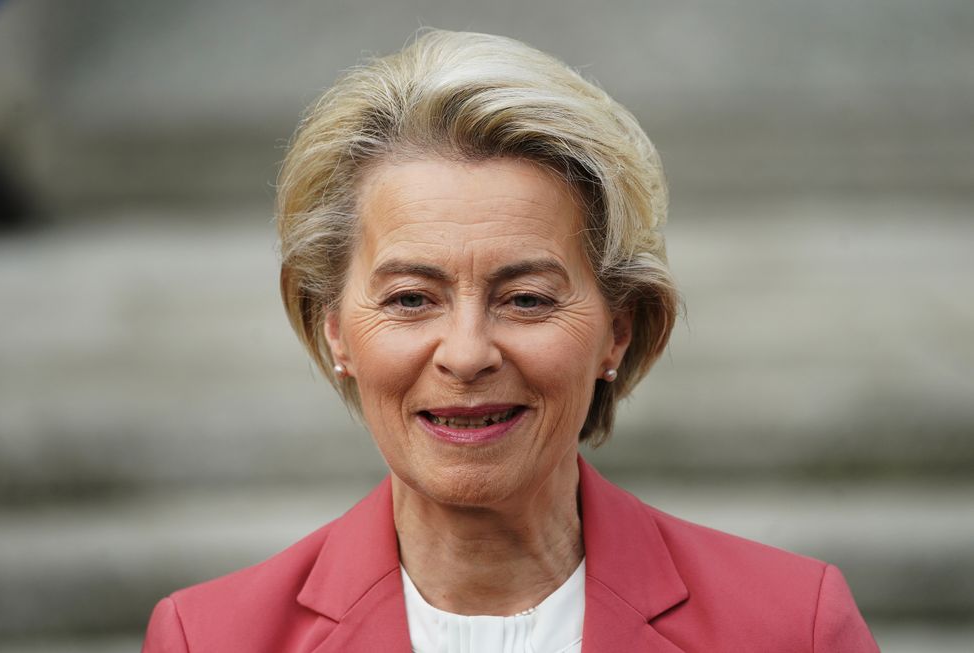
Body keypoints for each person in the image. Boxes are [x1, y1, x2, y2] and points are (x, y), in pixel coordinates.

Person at [142, 30, 879, 652]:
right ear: (333, 326)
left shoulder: (792, 628)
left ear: (617, 330)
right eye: (410, 299)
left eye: (526, 299)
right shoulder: (209, 639)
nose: (466, 355)